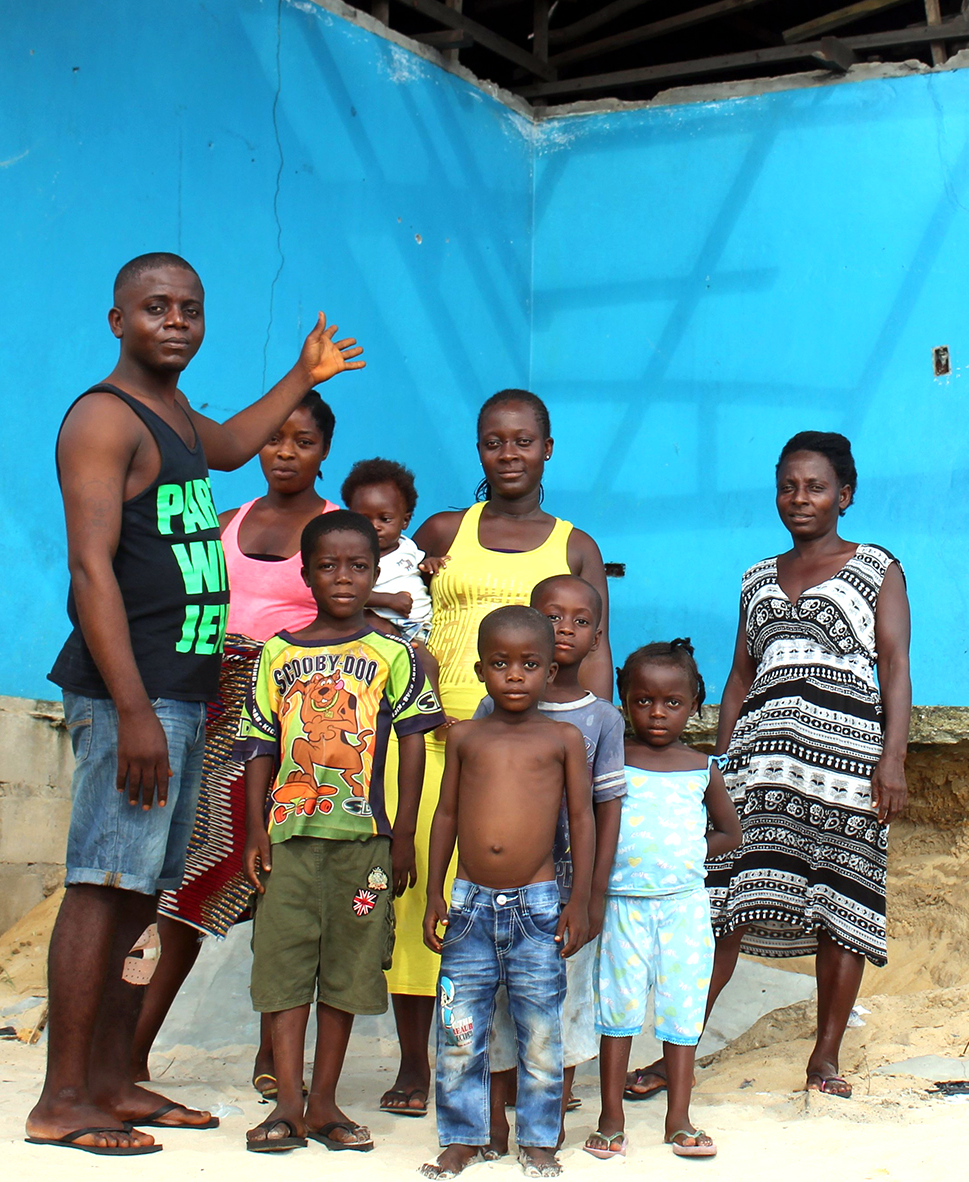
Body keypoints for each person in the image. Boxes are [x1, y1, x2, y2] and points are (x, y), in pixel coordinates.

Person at [25, 252, 363, 1156]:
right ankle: (63, 1098)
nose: (175, 322)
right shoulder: (104, 418)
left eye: (190, 309)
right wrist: (133, 710)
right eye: (155, 308)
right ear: (117, 321)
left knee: (143, 892)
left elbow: (225, 447)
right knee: (102, 887)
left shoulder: (171, 413)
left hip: (179, 693)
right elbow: (90, 568)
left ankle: (111, 1080)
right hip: (132, 694)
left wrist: (303, 374)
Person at [624, 430, 910, 1104]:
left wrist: (892, 760)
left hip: (846, 766)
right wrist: (716, 770)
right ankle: (678, 1051)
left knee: (842, 903)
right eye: (788, 486)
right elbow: (738, 676)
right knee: (723, 907)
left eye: (814, 486)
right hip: (757, 767)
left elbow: (895, 667)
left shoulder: (877, 568)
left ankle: (825, 1057)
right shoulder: (756, 576)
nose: (799, 498)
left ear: (845, 494)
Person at [380, 389, 611, 1118]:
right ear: (477, 449)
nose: (507, 455)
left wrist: (593, 739)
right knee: (421, 890)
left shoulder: (573, 544)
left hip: (526, 751)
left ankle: (523, 1070)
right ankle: (418, 1066)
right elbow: (401, 615)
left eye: (522, 441)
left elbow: (594, 648)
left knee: (525, 898)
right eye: (492, 442)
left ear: (548, 447)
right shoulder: (445, 529)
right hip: (428, 737)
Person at [129, 389, 339, 1098]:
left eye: (303, 440)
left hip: (292, 725)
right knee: (180, 887)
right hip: (206, 714)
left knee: (281, 886)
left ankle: (272, 1053)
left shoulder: (337, 533)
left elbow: (349, 626)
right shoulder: (225, 521)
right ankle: (131, 1051)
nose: (285, 452)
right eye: (273, 438)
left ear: (324, 451)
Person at [236, 510, 446, 1153]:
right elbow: (257, 747)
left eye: (358, 566)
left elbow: (416, 743)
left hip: (365, 844)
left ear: (376, 570)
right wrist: (254, 832)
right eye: (327, 566)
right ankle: (288, 1104)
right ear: (306, 575)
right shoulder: (278, 652)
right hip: (290, 840)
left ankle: (325, 1101)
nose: (344, 577)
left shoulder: (395, 653)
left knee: (350, 969)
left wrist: (404, 831)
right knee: (284, 967)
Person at [419, 606, 595, 1180]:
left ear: (551, 671)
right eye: (500, 664)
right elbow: (445, 815)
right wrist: (434, 896)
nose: (514, 676)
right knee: (459, 1029)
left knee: (541, 1030)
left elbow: (582, 821)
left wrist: (580, 901)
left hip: (538, 906)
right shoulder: (466, 736)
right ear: (479, 670)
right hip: (468, 904)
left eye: (529, 664)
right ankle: (463, 1136)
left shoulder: (564, 738)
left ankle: (540, 1138)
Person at [475, 575, 625, 1149]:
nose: (566, 627)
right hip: (503, 885)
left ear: (596, 637)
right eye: (553, 615)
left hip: (566, 888)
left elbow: (605, 810)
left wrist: (591, 893)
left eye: (581, 620)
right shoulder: (498, 700)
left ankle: (552, 1112)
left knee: (559, 1002)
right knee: (500, 1001)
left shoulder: (602, 720)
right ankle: (496, 1117)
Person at [585, 639, 740, 1162]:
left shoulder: (701, 767)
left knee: (682, 1011)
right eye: (643, 700)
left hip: (683, 907)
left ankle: (679, 1117)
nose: (657, 713)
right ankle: (610, 1117)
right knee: (617, 1010)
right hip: (621, 906)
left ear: (695, 704)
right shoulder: (612, 761)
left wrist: (688, 852)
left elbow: (730, 833)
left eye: (672, 703)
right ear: (623, 701)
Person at [342, 458, 433, 645]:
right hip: (379, 629)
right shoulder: (352, 556)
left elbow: (421, 566)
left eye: (384, 519)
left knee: (427, 665)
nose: (375, 526)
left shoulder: (408, 546)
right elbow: (350, 593)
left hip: (419, 628)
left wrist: (432, 564)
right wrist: (388, 601)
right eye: (365, 519)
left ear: (405, 521)